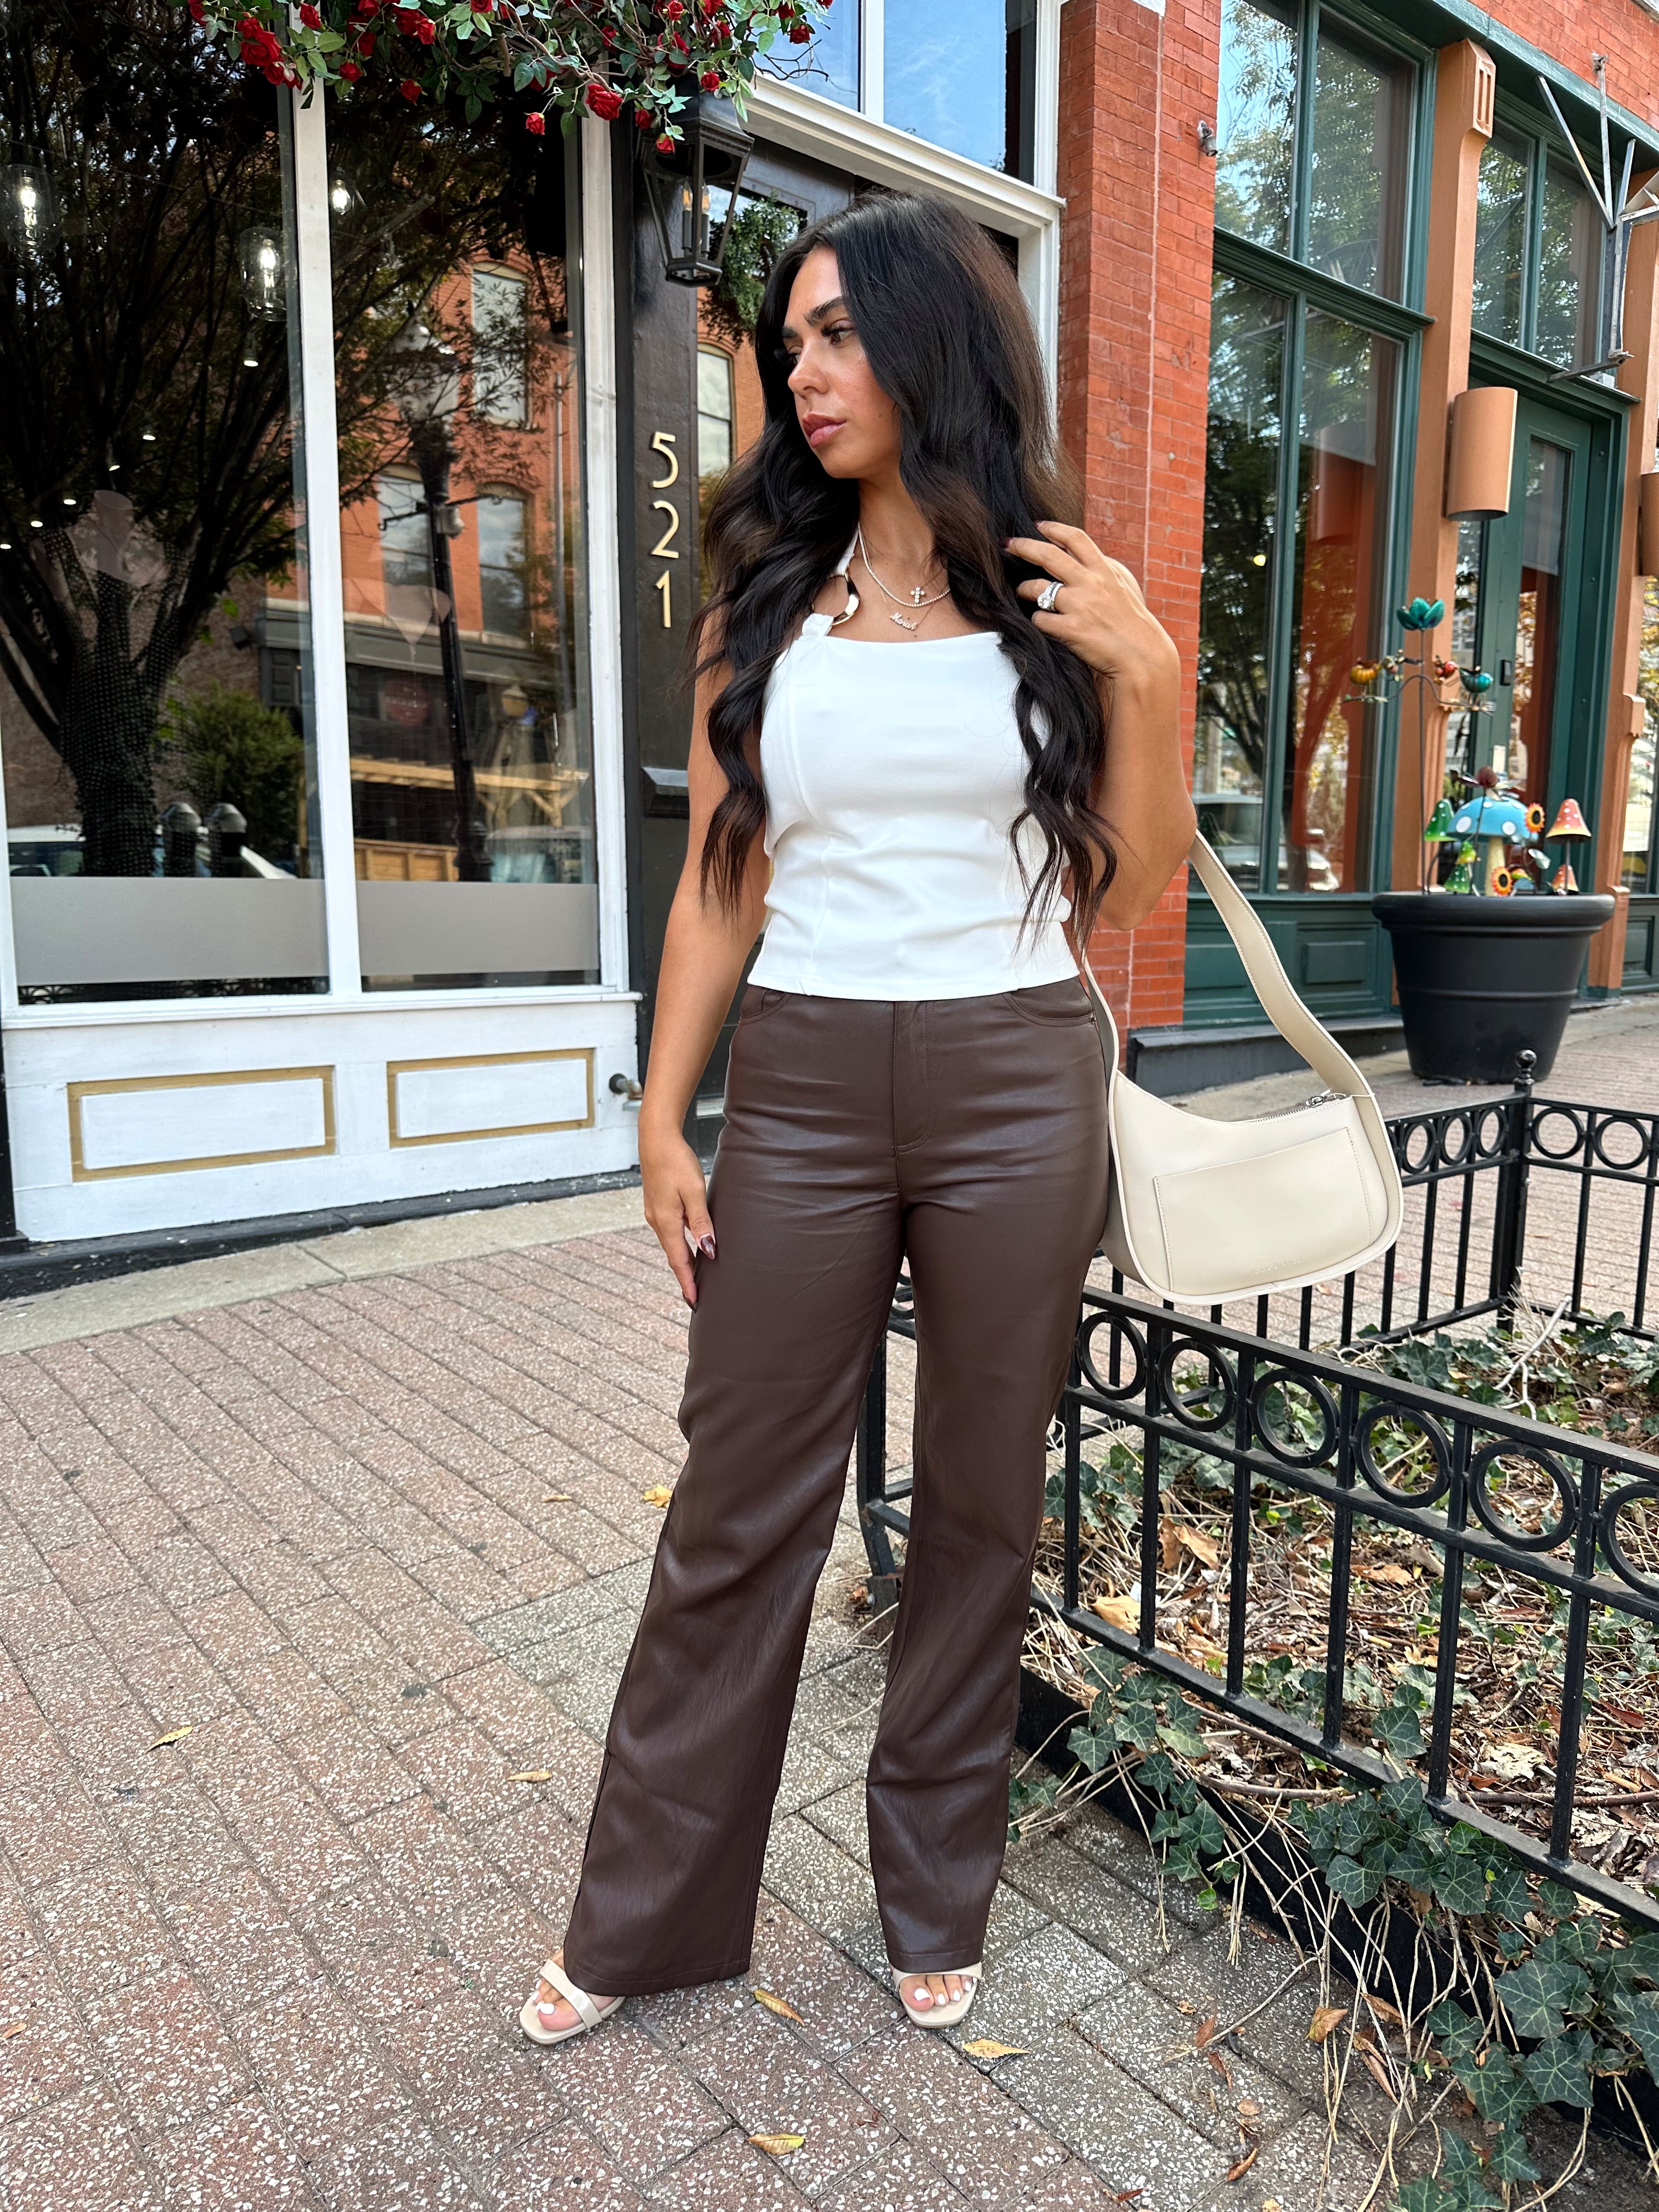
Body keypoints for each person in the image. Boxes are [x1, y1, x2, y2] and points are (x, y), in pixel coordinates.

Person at [521, 190, 1193, 2044]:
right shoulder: (764, 604)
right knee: (739, 1502)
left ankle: (933, 1889)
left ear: (932, 345)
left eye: (835, 336)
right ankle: (643, 1917)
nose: (803, 374)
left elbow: (1127, 897)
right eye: (790, 342)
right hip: (806, 1080)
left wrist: (1148, 674)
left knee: (981, 1504)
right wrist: (664, 1121)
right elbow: (721, 882)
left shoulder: (1060, 593)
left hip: (1014, 1072)